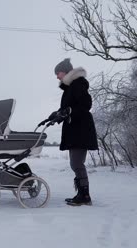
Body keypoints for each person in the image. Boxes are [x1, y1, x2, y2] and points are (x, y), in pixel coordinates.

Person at [48, 58, 99, 206]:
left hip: (81, 130)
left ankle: (85, 196)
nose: (57, 76)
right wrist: (56, 115)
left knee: (77, 163)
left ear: (65, 72)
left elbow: (86, 105)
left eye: (58, 73)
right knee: (75, 164)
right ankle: (81, 194)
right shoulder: (69, 88)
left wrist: (68, 111)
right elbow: (68, 108)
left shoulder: (78, 83)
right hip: (74, 130)